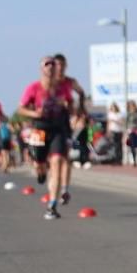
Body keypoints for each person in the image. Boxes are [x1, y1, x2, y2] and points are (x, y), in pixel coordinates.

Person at [18, 56, 75, 219]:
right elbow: (21, 109)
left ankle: (52, 205)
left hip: (57, 129)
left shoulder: (62, 88)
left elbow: (71, 104)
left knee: (57, 162)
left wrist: (70, 108)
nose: (50, 67)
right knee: (39, 164)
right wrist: (34, 113)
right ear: (41, 69)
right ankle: (40, 172)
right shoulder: (33, 88)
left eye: (52, 64)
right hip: (40, 129)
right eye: (46, 64)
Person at [53, 53, 86, 205]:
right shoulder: (48, 83)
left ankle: (65, 189)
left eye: (62, 65)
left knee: (65, 157)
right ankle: (46, 176)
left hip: (64, 122)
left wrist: (80, 109)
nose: (60, 68)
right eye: (57, 65)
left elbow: (81, 93)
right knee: (49, 160)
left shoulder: (70, 82)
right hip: (47, 123)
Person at [125, 100, 137, 166]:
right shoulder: (129, 113)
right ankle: (135, 161)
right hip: (131, 131)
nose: (132, 107)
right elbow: (126, 123)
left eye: (133, 105)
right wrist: (127, 130)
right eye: (131, 106)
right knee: (132, 145)